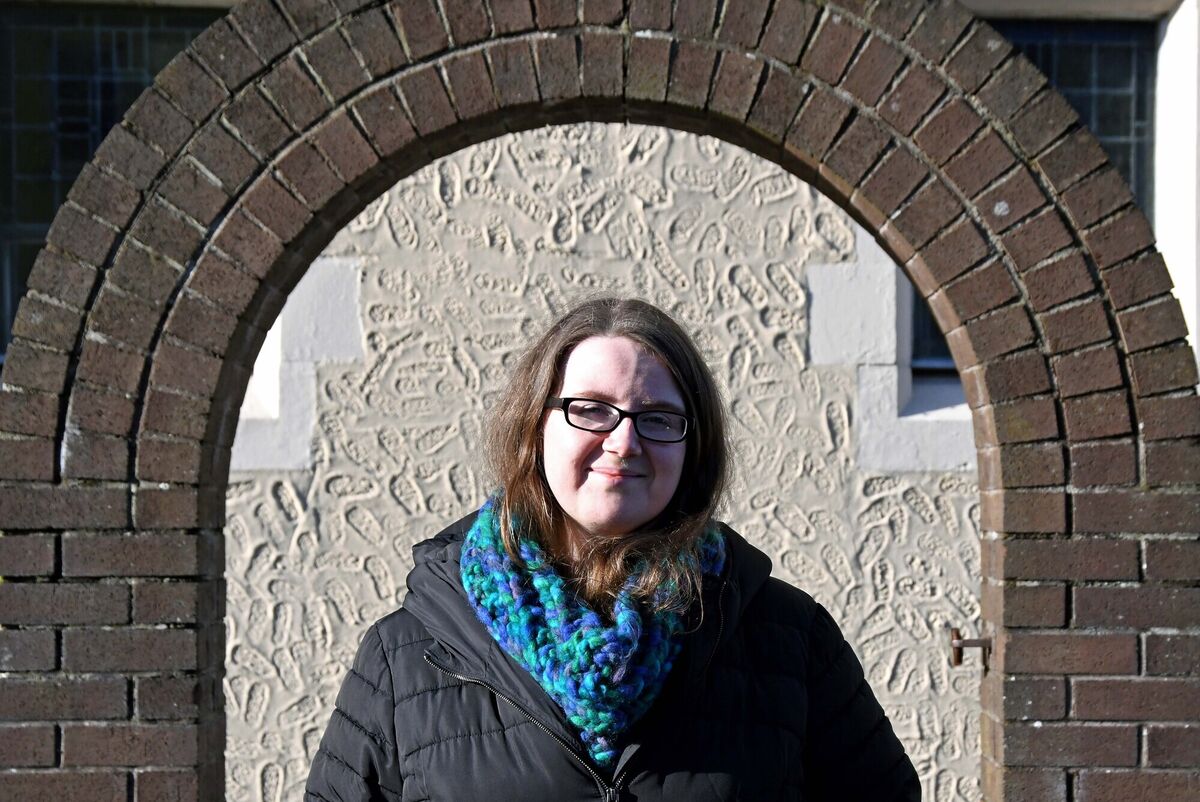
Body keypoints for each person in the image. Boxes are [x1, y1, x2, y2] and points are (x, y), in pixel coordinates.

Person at [305, 297, 921, 801]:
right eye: (591, 410)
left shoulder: (789, 638)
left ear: (692, 448)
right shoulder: (408, 655)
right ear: (534, 428)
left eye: (657, 417)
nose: (624, 441)